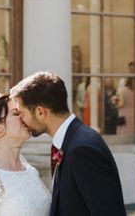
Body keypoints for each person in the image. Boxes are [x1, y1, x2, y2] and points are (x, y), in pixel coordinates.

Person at [11, 71, 125, 216]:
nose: (22, 120)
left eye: (22, 114)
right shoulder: (69, 142)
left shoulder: (82, 149)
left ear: (40, 112)